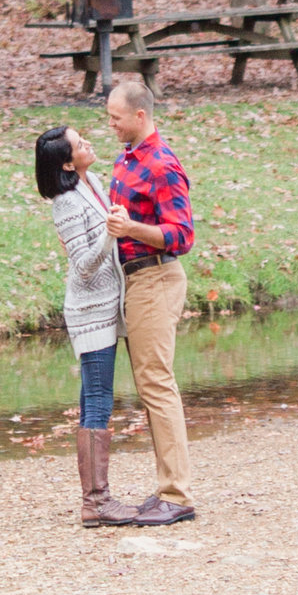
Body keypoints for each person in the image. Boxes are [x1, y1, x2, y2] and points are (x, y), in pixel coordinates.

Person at [103, 75, 195, 526]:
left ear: (140, 116)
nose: (111, 126)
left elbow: (181, 236)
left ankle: (176, 495)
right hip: (133, 281)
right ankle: (166, 489)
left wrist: (131, 231)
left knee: (158, 385)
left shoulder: (160, 164)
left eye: (116, 118)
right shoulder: (128, 158)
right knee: (150, 385)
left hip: (155, 279)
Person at [34, 123, 129, 527]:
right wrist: (111, 235)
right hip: (90, 311)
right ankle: (96, 502)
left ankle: (98, 499)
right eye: (79, 143)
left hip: (110, 305)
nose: (88, 142)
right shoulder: (66, 204)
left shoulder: (94, 184)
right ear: (68, 162)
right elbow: (84, 267)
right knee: (97, 399)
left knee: (95, 397)